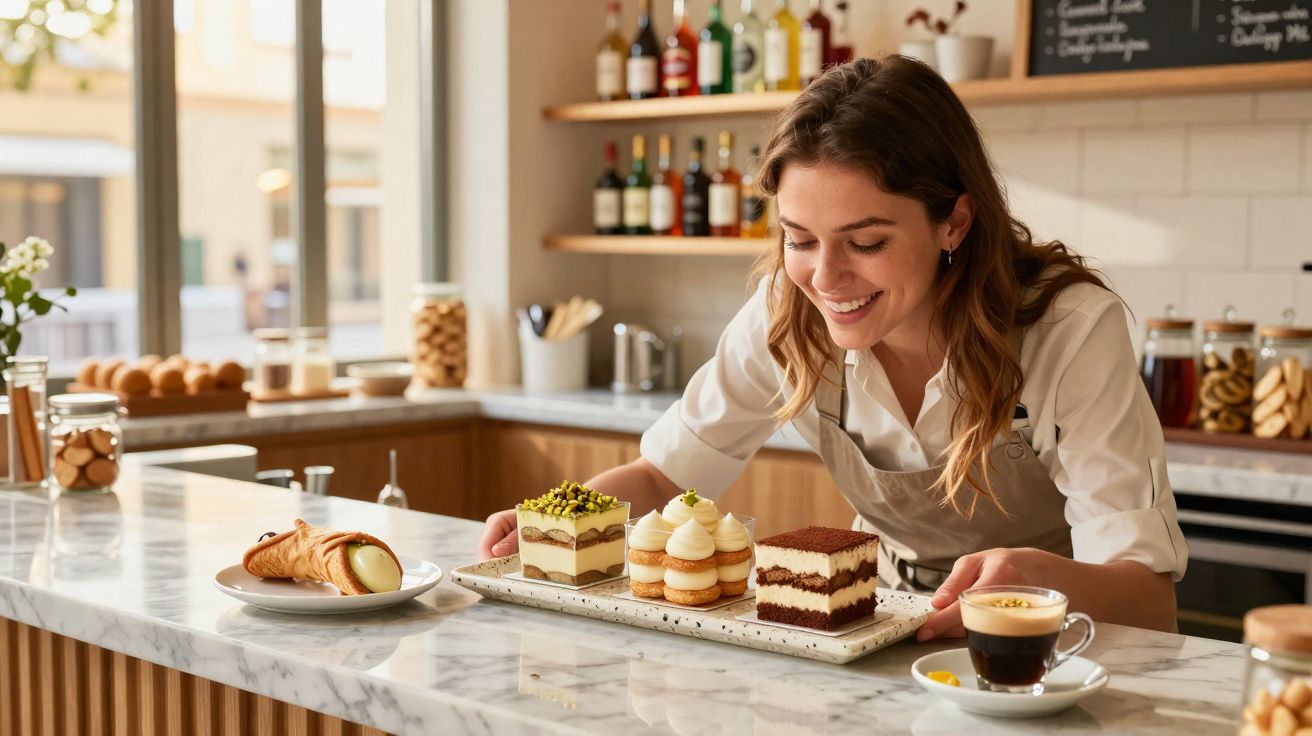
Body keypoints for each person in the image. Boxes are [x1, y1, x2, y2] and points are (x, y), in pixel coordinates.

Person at [478, 56, 1187, 641]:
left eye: (867, 241)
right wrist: (556, 519)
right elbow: (666, 479)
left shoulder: (1069, 331)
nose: (826, 278)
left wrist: (1036, 580)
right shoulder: (787, 316)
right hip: (871, 633)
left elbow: (1148, 600)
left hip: (1048, 645)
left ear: (955, 222)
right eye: (800, 238)